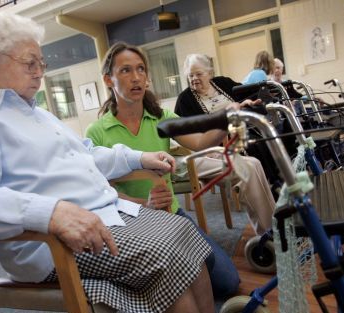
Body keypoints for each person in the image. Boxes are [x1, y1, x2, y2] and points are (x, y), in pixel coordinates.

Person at [0, 13, 215, 313]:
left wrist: (138, 157)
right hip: (51, 242)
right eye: (30, 63)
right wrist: (50, 212)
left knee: (181, 232)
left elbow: (87, 154)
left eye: (41, 63)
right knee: (165, 253)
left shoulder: (37, 113)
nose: (39, 72)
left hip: (105, 214)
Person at [86, 42, 240, 299]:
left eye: (140, 69)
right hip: (132, 222)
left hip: (172, 214)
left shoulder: (161, 117)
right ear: (108, 80)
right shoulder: (97, 132)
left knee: (227, 283)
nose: (136, 78)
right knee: (180, 282)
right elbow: (102, 191)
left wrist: (230, 119)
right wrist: (141, 204)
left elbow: (200, 141)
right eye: (125, 70)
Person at [174, 53, 277, 235]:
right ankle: (269, 226)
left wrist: (247, 102)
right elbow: (191, 133)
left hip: (241, 132)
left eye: (199, 74)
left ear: (210, 73)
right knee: (254, 151)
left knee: (267, 140)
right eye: (190, 75)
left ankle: (275, 206)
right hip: (215, 145)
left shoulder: (222, 83)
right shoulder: (185, 99)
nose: (194, 79)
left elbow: (246, 93)